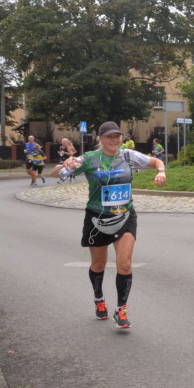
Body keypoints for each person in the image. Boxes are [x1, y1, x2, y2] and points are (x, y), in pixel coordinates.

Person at [51, 121, 166, 328]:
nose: (114, 140)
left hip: (125, 215)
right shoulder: (89, 158)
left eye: (117, 136)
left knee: (125, 263)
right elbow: (57, 174)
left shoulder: (129, 155)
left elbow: (156, 162)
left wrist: (161, 171)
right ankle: (99, 299)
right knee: (99, 264)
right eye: (109, 136)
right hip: (97, 217)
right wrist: (64, 165)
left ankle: (121, 310)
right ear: (100, 139)